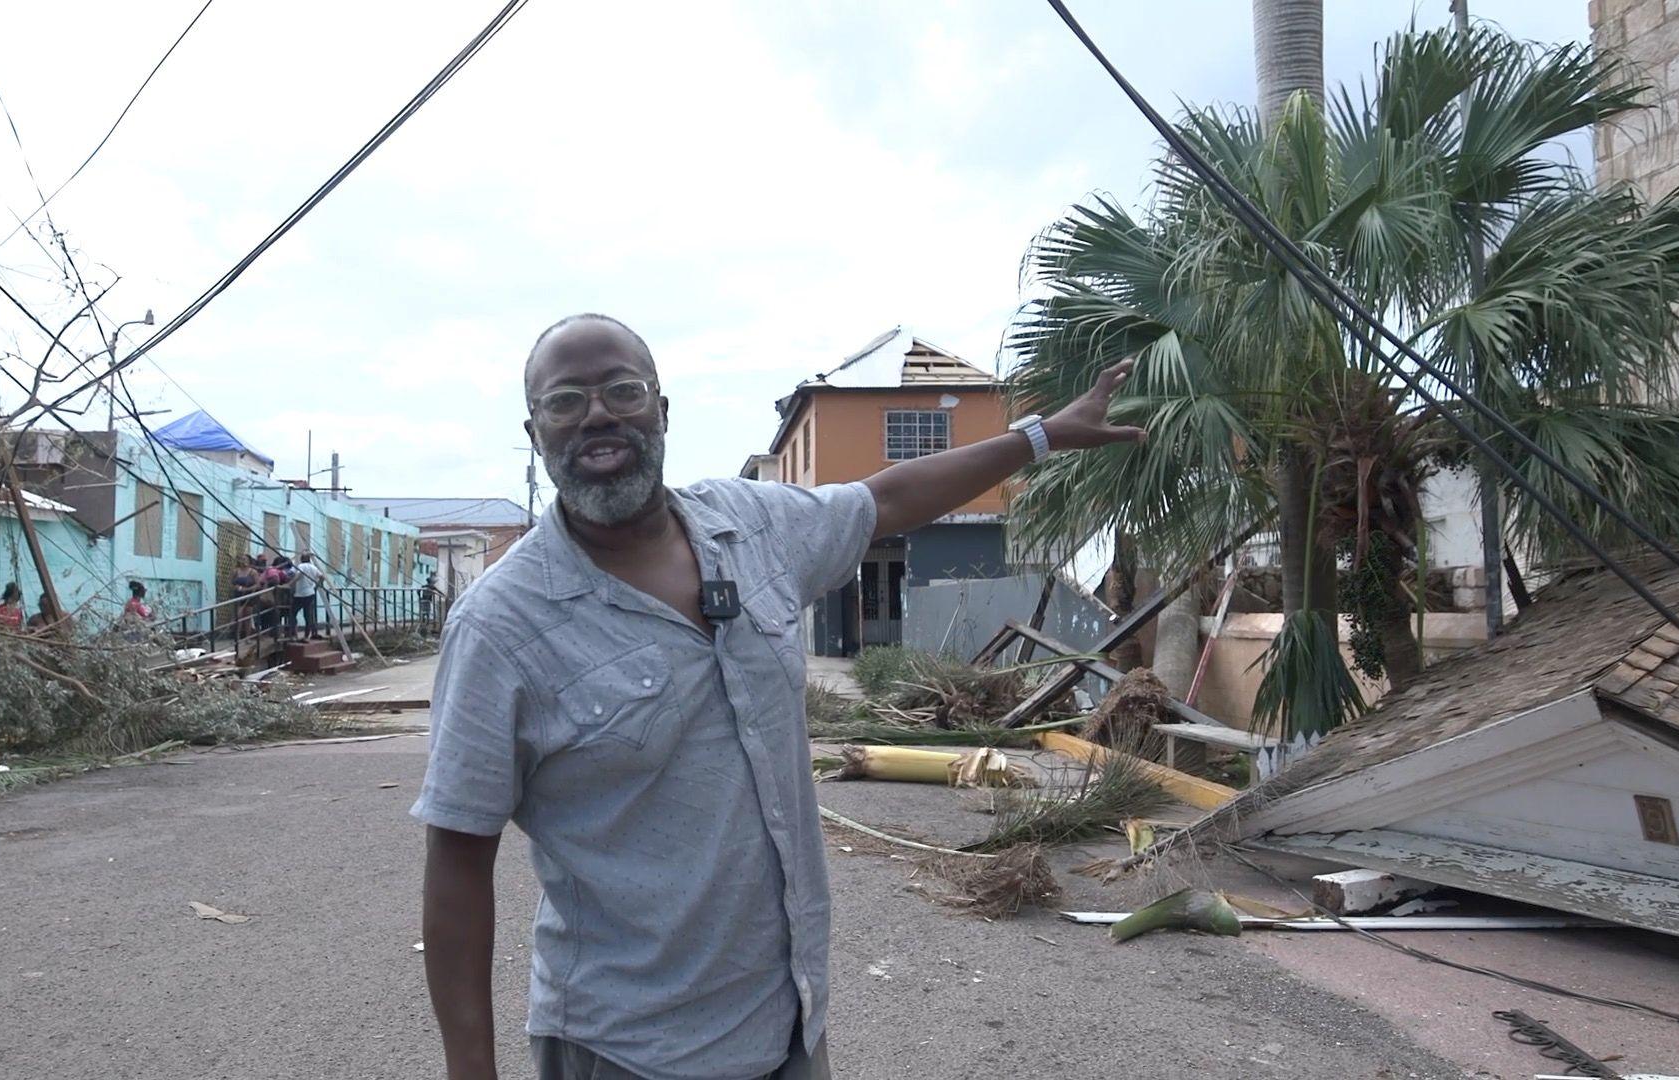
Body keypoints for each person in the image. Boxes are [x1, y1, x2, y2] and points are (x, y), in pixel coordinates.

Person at [414, 314, 1142, 1080]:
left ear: (661, 410)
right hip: (628, 1044)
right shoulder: (500, 626)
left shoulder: (752, 524)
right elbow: (458, 855)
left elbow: (886, 500)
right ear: (536, 433)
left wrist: (1041, 437)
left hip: (787, 1016)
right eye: (566, 401)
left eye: (622, 390)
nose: (598, 413)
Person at [290, 551, 325, 640]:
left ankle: (293, 633)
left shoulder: (301, 566)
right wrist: (317, 586)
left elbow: (298, 575)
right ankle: (306, 636)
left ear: (301, 559)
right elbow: (322, 577)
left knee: (292, 613)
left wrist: (290, 583)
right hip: (310, 593)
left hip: (300, 594)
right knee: (308, 615)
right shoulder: (314, 568)